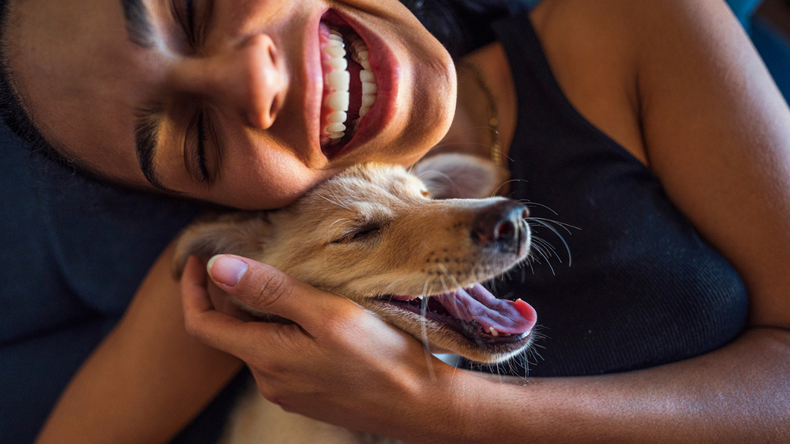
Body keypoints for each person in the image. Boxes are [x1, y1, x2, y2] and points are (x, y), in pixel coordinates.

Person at [1, 0, 789, 443]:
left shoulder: (634, 26)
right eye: (199, 138)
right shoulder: (252, 266)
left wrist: (438, 408)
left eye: (194, 5)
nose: (251, 78)